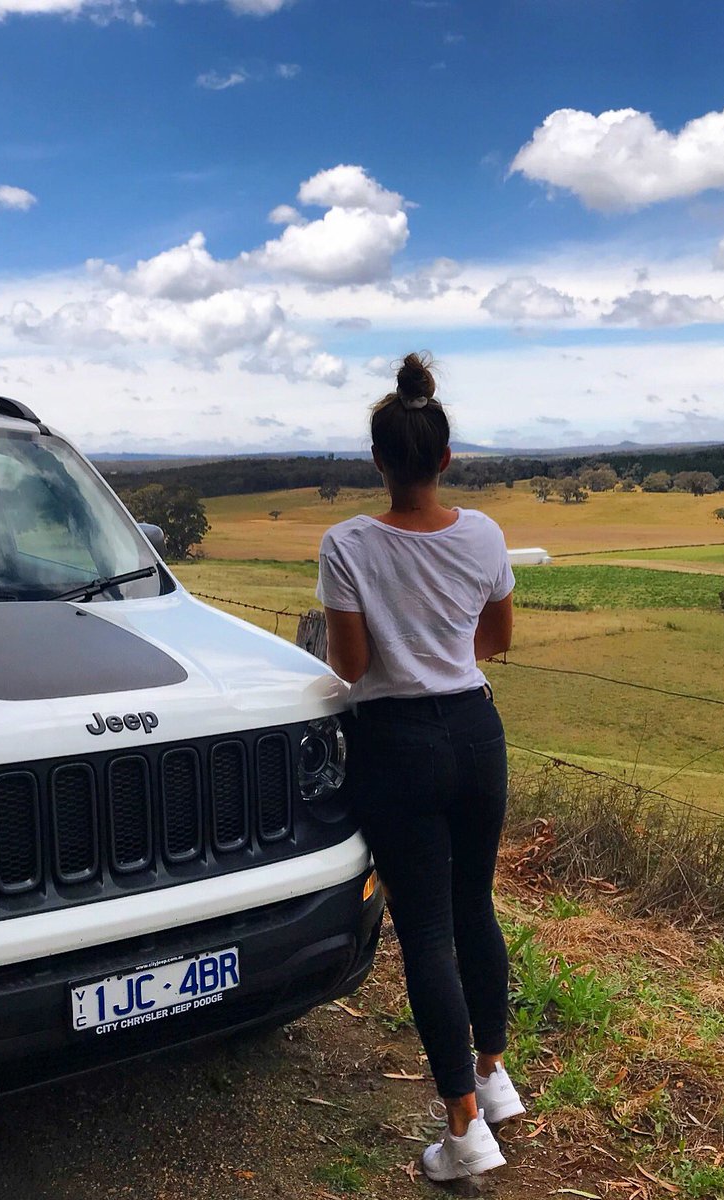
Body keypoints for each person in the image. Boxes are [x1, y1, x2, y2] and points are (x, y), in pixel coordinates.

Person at [315, 353, 524, 1183]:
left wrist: (402, 662)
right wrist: (444, 658)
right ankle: (492, 1074)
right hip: (477, 733)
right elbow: (499, 640)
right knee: (476, 904)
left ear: (379, 461)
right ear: (444, 458)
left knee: (427, 931)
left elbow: (352, 666)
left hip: (396, 747)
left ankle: (465, 1133)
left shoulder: (348, 544)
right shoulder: (484, 534)